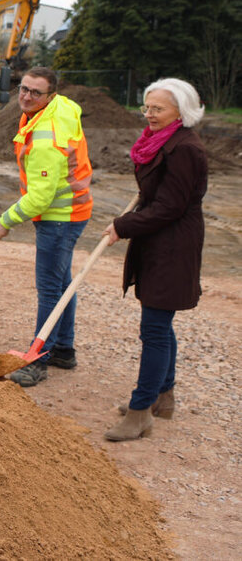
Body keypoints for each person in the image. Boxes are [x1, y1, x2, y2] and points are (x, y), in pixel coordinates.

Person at [102, 78, 207, 441]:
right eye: (147, 107)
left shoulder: (186, 149)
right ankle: (163, 397)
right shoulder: (162, 141)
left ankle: (140, 411)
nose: (149, 114)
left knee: (155, 329)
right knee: (161, 323)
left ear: (181, 111)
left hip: (173, 245)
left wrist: (122, 226)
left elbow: (171, 206)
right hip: (158, 241)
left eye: (158, 109)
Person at [0, 67, 93, 387]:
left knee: (50, 288)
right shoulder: (59, 107)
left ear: (50, 96)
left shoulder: (47, 135)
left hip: (60, 216)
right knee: (61, 282)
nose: (26, 96)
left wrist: (6, 220)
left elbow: (40, 198)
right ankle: (64, 348)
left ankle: (39, 358)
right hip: (75, 209)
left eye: (35, 92)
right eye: (23, 89)